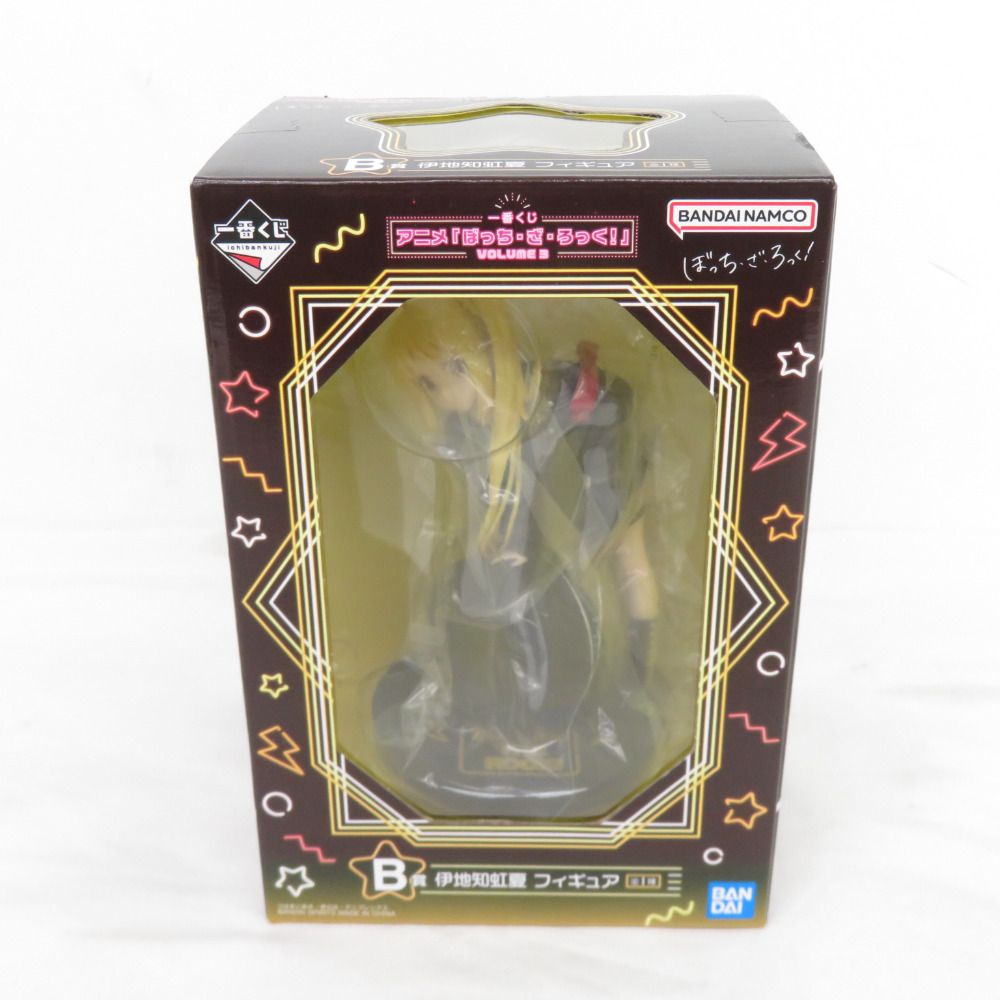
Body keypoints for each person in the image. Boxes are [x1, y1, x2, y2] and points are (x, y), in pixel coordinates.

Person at [367, 298, 663, 818]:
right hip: (543, 531)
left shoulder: (571, 403)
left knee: (626, 560)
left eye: (437, 379)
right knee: (485, 592)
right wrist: (501, 547)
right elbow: (494, 500)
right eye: (425, 386)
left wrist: (549, 549)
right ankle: (514, 713)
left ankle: (631, 675)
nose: (439, 398)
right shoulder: (472, 424)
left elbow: (593, 509)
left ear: (467, 362)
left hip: (597, 477)